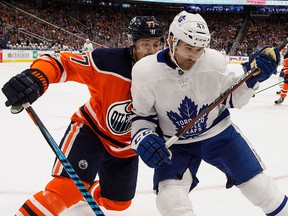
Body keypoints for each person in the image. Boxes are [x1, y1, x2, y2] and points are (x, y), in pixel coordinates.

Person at [2, 16, 164, 215]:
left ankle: (85, 188)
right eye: (145, 44)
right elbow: (60, 62)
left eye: (156, 44)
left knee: (118, 203)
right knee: (65, 190)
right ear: (133, 44)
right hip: (91, 132)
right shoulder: (106, 61)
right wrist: (37, 77)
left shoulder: (167, 74)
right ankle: (74, 189)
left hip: (126, 147)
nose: (152, 51)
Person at [130, 11, 287, 216]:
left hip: (218, 134)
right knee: (171, 201)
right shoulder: (145, 71)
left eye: (199, 49)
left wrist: (252, 79)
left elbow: (232, 98)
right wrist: (144, 138)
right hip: (176, 144)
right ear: (171, 40)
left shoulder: (212, 61)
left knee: (260, 188)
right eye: (188, 48)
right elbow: (142, 118)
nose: (193, 56)